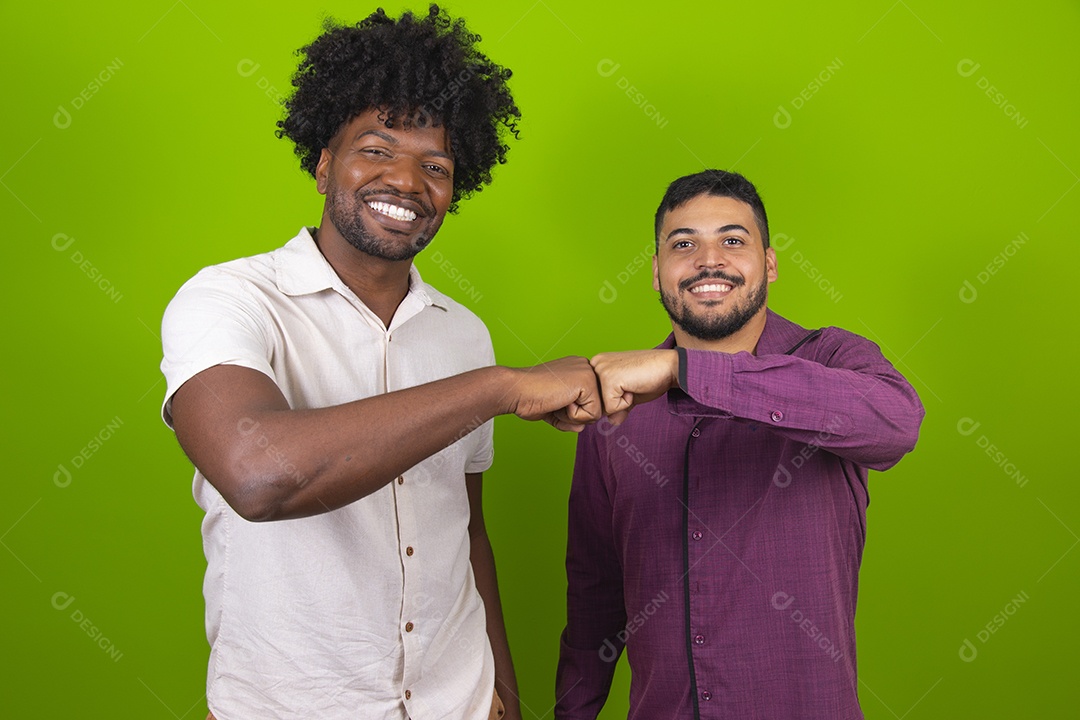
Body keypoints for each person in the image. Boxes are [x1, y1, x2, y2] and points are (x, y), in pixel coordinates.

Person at [160, 7, 600, 719]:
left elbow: (465, 529)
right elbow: (258, 476)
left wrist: (504, 693)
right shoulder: (229, 299)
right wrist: (497, 388)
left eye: (436, 166)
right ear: (322, 161)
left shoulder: (464, 333)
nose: (406, 181)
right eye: (376, 149)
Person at [555, 170, 924, 719]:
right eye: (684, 244)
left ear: (769, 264)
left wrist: (685, 370)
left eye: (733, 240)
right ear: (656, 273)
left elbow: (897, 423)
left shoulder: (832, 360)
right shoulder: (613, 411)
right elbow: (594, 599)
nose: (709, 261)